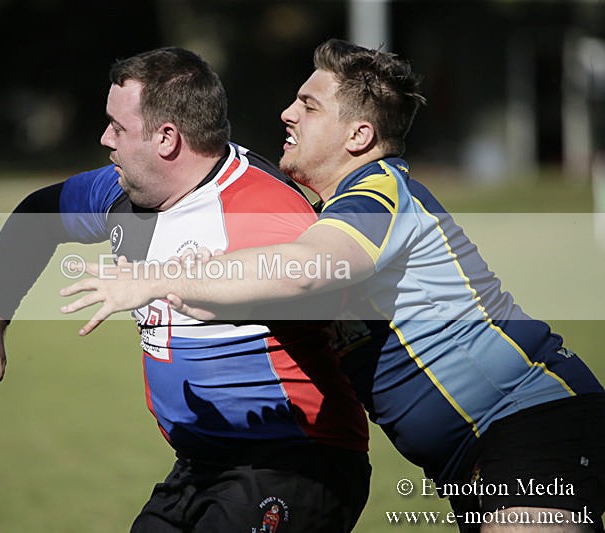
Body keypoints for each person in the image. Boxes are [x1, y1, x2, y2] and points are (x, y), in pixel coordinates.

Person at [60, 39, 605, 532]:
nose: (287, 113)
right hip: (473, 456)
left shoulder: (379, 193)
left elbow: (307, 269)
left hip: (530, 419)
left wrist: (159, 276)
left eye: (310, 105)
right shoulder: (331, 214)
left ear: (359, 135)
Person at [0, 46, 372, 532]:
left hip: (296, 460)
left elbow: (328, 289)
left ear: (167, 138)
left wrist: (202, 285)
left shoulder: (262, 208)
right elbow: (36, 217)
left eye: (118, 127)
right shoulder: (123, 192)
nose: (105, 139)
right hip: (199, 467)